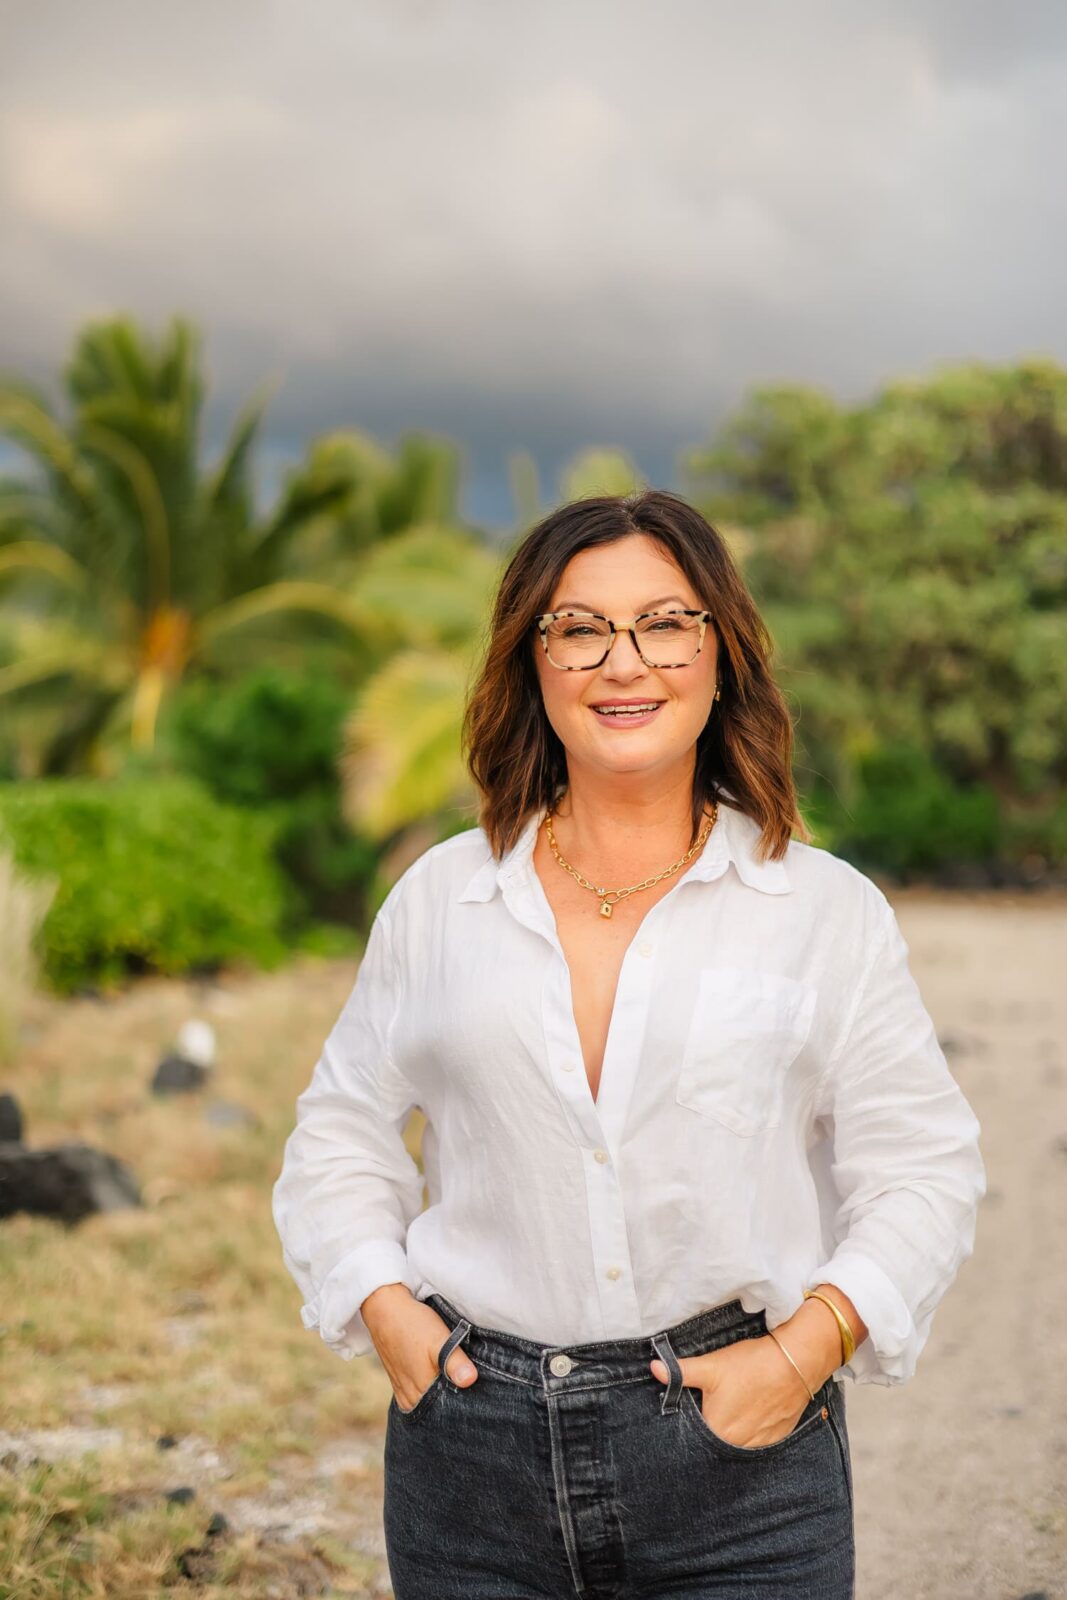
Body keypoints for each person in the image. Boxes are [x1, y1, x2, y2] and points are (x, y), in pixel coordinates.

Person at [272, 489, 986, 1600]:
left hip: (744, 1472)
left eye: (663, 623)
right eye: (578, 629)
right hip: (469, 1459)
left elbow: (922, 1168)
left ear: (720, 652)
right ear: (533, 662)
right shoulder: (439, 899)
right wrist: (384, 1307)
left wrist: (800, 1353)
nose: (623, 663)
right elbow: (339, 1132)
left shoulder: (823, 911)